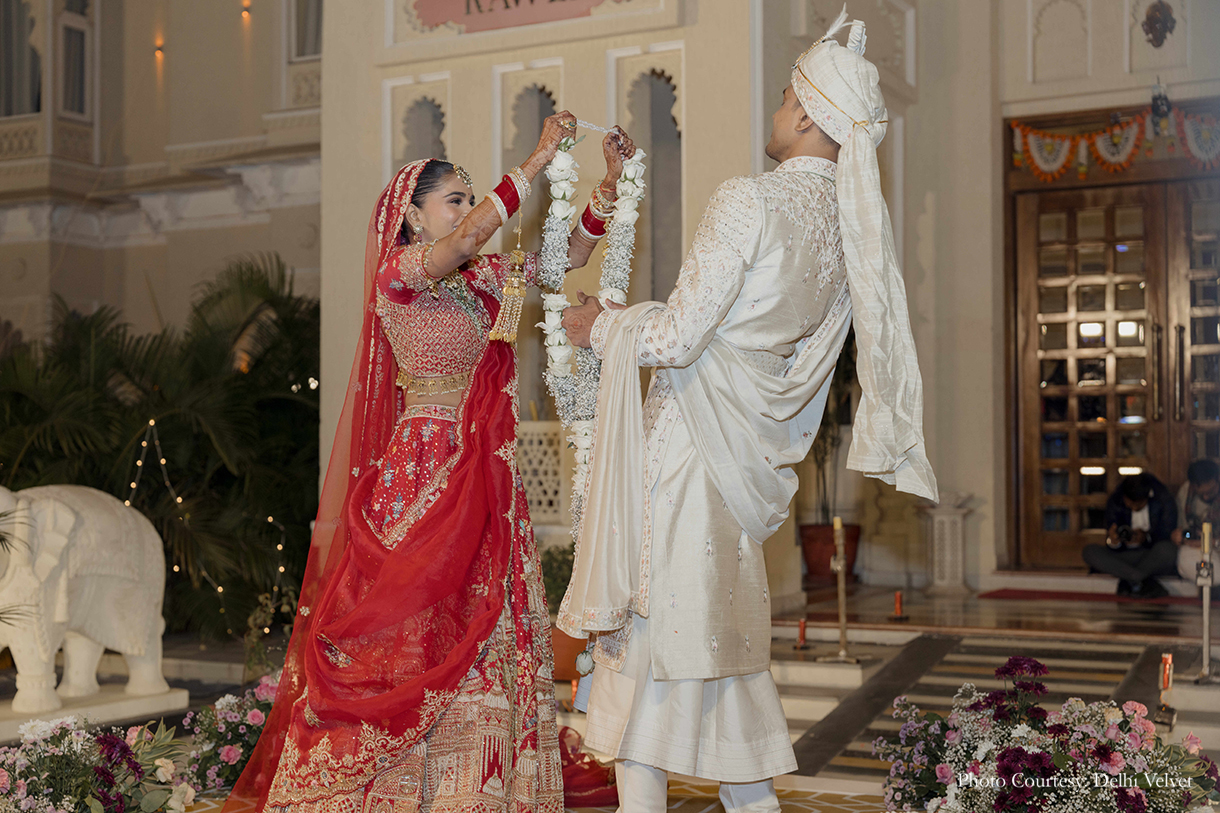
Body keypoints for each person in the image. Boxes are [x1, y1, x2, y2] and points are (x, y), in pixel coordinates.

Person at [556, 12, 937, 813]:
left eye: (782, 99)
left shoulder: (748, 199)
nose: (774, 114)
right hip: (745, 463)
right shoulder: (849, 232)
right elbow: (782, 361)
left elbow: (683, 336)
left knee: (642, 685)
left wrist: (603, 325)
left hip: (688, 448)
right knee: (720, 665)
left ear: (804, 113)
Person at [224, 113, 637, 812]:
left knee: (489, 637)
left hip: (486, 478)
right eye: (454, 196)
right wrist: (535, 161)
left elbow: (565, 255)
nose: (468, 208)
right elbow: (472, 235)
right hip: (421, 475)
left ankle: (471, 792)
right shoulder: (402, 274)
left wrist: (612, 182)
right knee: (412, 635)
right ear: (413, 216)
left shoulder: (485, 283)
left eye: (469, 194)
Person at [1082, 472, 1178, 599]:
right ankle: (1140, 579)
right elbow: (1111, 538)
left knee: (1169, 550)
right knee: (1089, 551)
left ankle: (1128, 578)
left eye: (1138, 505)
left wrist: (1146, 537)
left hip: (1150, 554)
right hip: (1123, 555)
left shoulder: (1162, 500)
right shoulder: (1116, 501)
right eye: (1130, 504)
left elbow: (1167, 533)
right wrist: (1114, 541)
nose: (1133, 507)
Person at [1173, 459, 1220, 582]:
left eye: (1210, 492)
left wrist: (1214, 542)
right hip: (1196, 546)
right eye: (1202, 494)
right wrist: (1179, 536)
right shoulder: (1186, 493)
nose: (1206, 497)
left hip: (1217, 544)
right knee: (1187, 561)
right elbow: (1183, 528)